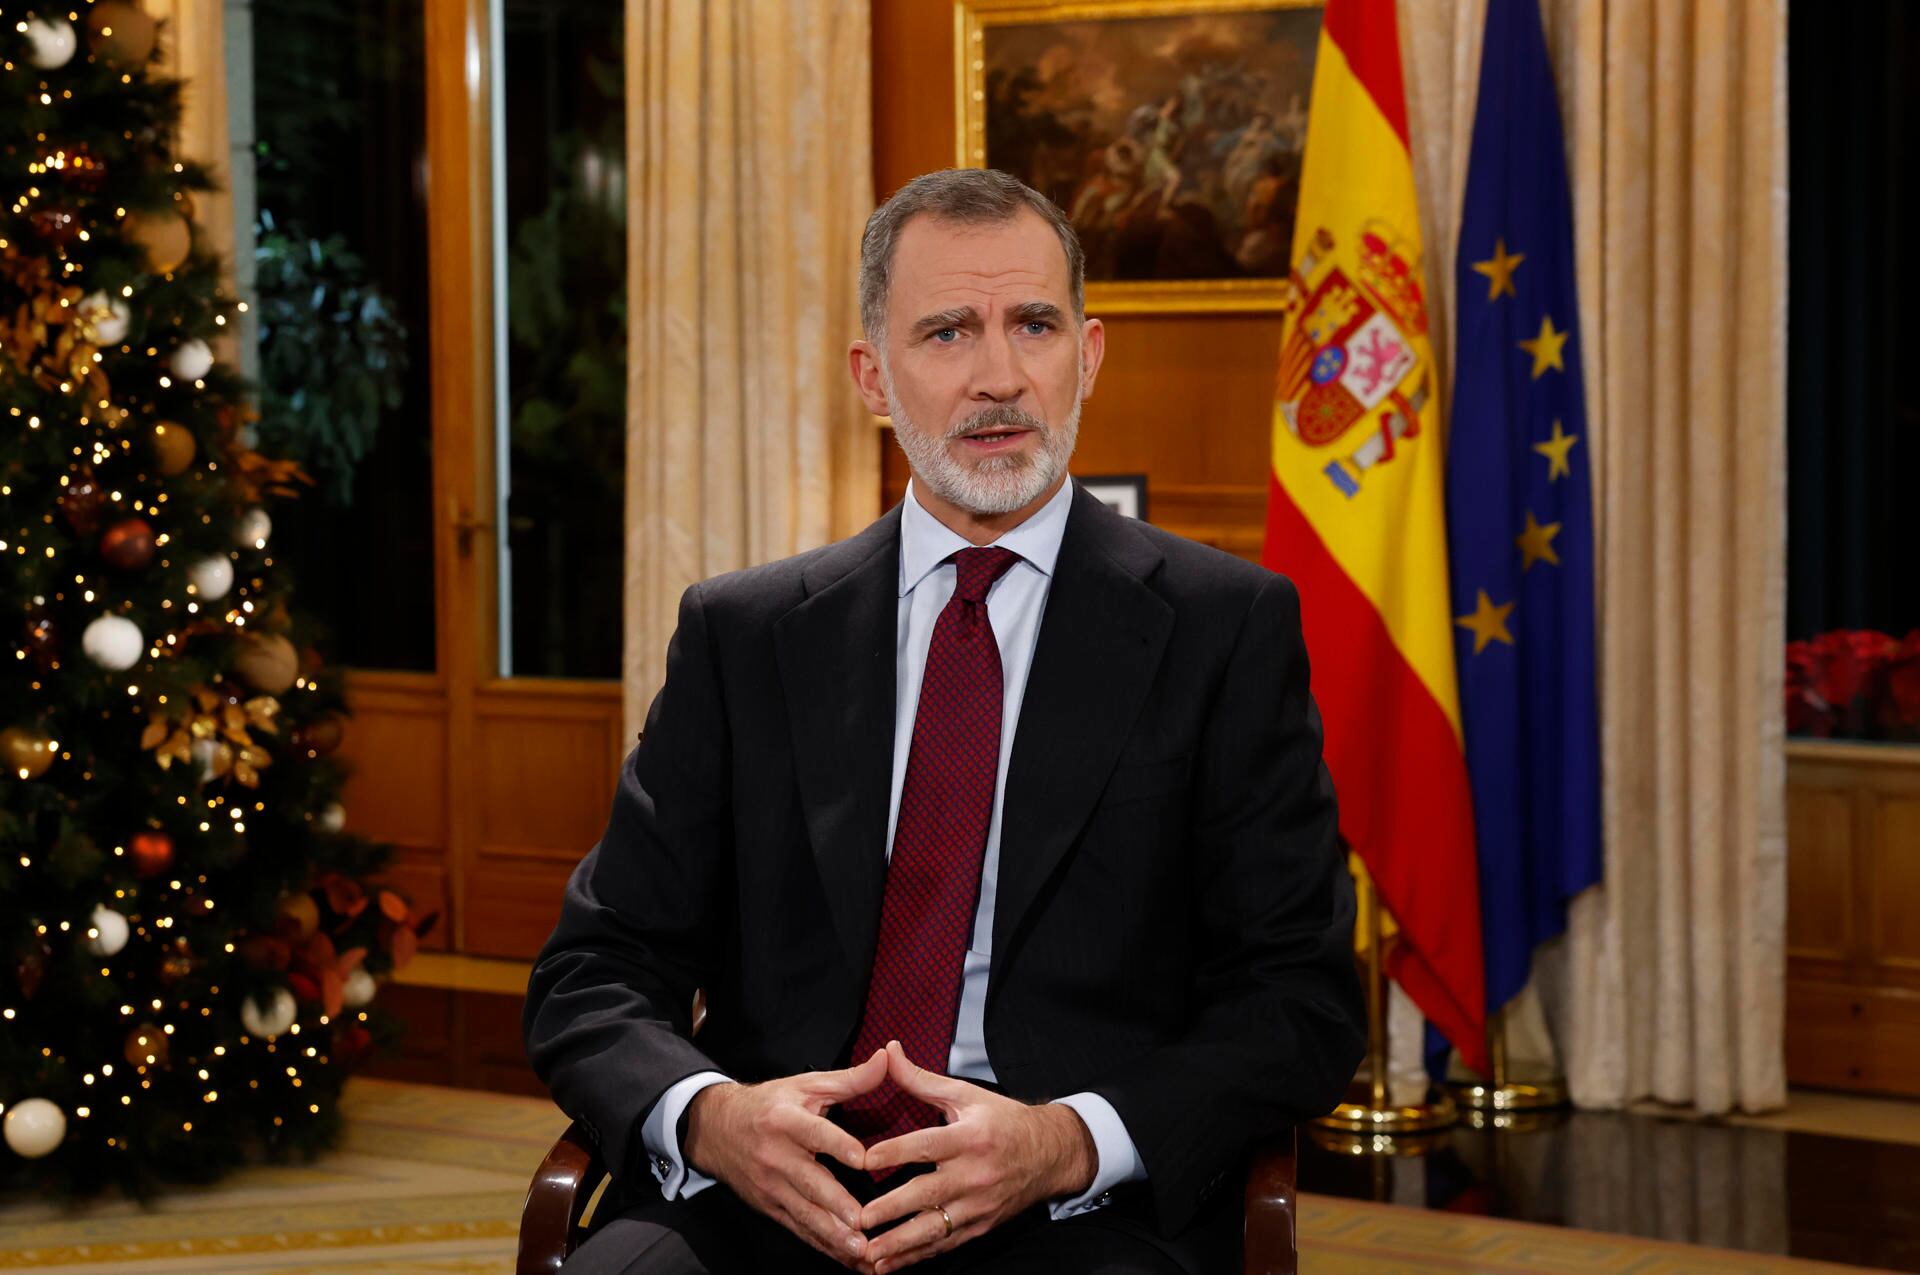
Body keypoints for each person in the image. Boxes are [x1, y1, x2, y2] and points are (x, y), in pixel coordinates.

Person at [523, 167, 1366, 1275]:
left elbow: (1300, 1000)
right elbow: (597, 966)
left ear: (1089, 355)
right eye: (948, 333)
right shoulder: (746, 634)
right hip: (777, 1188)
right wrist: (713, 1118)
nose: (1001, 378)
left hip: (1076, 1209)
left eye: (1034, 325)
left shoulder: (1225, 629)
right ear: (874, 378)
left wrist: (1067, 1142)